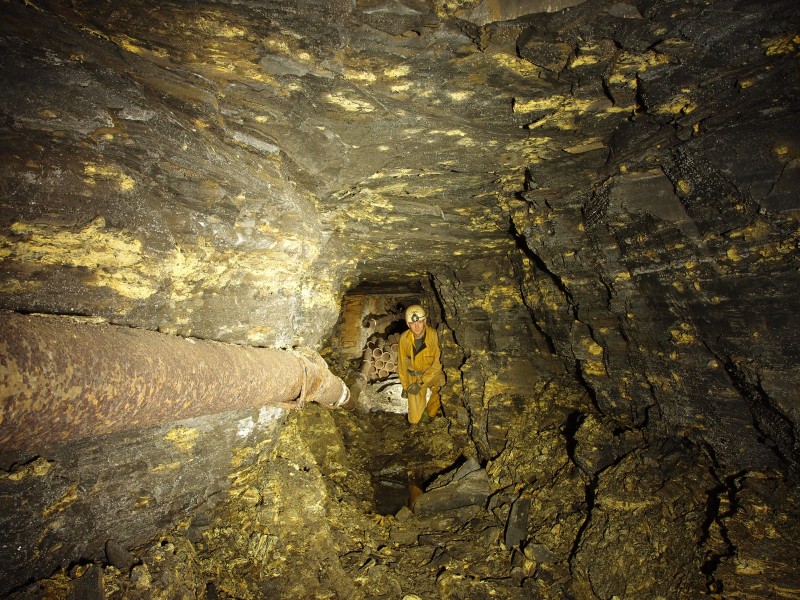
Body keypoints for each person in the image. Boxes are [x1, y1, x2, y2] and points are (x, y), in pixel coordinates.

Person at [397, 304, 445, 425]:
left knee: (443, 385)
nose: (417, 326)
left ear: (424, 321)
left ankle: (429, 414)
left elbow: (438, 364)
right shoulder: (404, 339)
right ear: (408, 324)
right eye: (413, 323)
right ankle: (419, 419)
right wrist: (405, 386)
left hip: (431, 374)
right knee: (415, 420)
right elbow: (402, 364)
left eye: (419, 322)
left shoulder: (434, 336)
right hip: (414, 376)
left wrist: (422, 382)